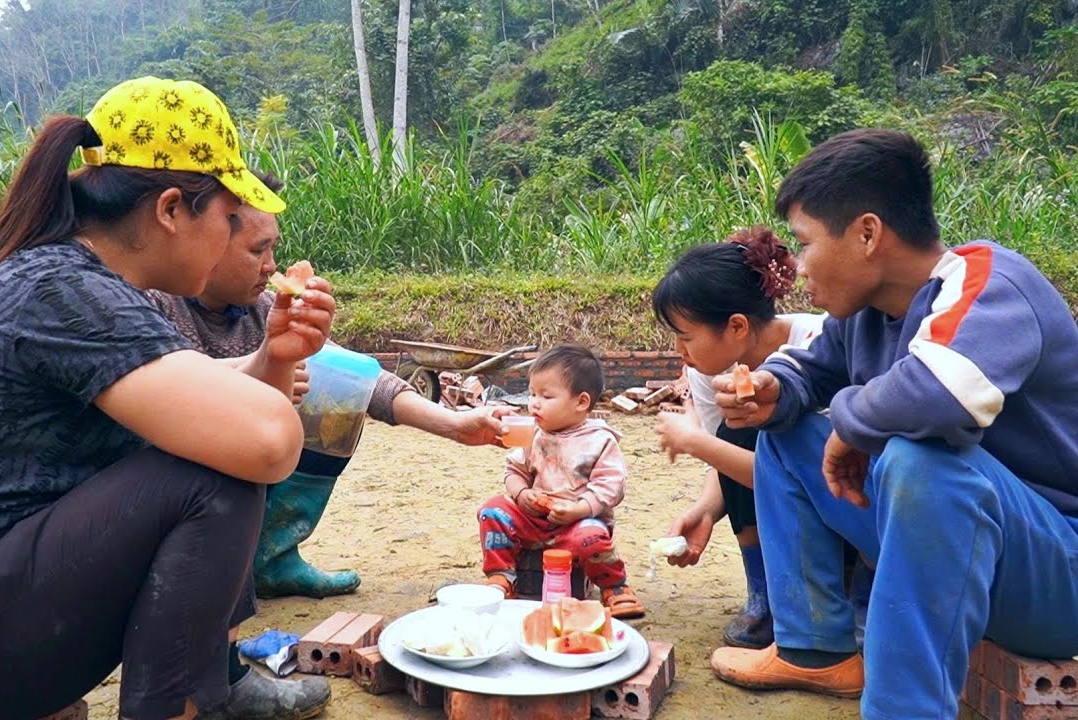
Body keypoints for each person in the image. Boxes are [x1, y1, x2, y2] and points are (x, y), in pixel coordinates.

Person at [0, 76, 336, 720]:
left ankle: (199, 682)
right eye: (230, 218)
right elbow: (266, 442)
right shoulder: (64, 293)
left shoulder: (68, 278)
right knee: (216, 477)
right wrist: (265, 383)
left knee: (217, 449)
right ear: (169, 210)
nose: (232, 240)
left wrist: (275, 357)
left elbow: (213, 413)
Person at [707, 129, 1078, 718]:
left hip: (1056, 572)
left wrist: (850, 422)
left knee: (921, 458)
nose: (800, 269)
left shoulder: (990, 283)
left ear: (868, 233)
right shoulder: (866, 316)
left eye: (805, 244)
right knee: (784, 431)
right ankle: (814, 648)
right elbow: (811, 369)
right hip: (951, 546)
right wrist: (774, 393)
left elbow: (942, 393)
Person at [147, 171, 510, 602]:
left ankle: (271, 558)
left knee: (333, 380)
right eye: (258, 250)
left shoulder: (264, 305)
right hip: (169, 481)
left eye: (274, 248)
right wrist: (263, 368)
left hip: (238, 467)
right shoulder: (154, 303)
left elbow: (362, 378)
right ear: (209, 238)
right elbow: (159, 386)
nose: (271, 266)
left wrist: (455, 425)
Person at [650, 226, 826, 649]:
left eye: (686, 336)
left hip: (838, 504)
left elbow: (804, 478)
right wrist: (706, 512)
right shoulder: (709, 373)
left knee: (746, 428)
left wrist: (693, 440)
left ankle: (828, 599)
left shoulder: (820, 346)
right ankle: (763, 595)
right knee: (737, 430)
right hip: (787, 501)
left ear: (736, 326)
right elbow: (727, 460)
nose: (680, 350)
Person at [476, 344, 646, 619]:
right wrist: (521, 495)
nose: (534, 403)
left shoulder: (599, 440)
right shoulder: (533, 434)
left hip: (576, 524)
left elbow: (610, 486)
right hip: (533, 521)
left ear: (580, 402)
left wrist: (580, 508)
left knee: (592, 535)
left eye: (546, 396)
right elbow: (514, 472)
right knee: (492, 510)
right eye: (532, 394)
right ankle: (502, 576)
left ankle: (615, 587)